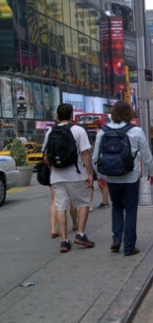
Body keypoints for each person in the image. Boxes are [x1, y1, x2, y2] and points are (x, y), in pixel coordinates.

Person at [92, 100, 153, 256]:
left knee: (117, 207)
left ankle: (117, 238)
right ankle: (129, 246)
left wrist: (100, 176)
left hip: (111, 178)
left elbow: (95, 158)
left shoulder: (103, 131)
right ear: (129, 113)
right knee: (131, 210)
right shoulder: (136, 131)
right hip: (131, 177)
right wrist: (151, 172)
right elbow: (146, 156)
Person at [42, 103, 95, 253]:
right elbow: (86, 154)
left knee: (60, 207)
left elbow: (46, 157)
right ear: (71, 115)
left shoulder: (50, 132)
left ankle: (64, 241)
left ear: (57, 116)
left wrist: (54, 168)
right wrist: (89, 173)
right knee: (84, 202)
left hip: (57, 177)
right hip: (76, 175)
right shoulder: (78, 131)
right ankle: (80, 234)